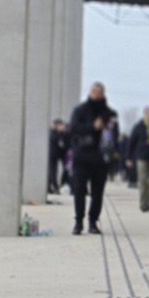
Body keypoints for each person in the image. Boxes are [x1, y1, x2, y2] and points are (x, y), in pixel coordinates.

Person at [69, 83, 114, 235]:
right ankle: (78, 222)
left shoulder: (109, 113)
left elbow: (114, 135)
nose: (96, 94)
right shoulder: (80, 110)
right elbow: (74, 128)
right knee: (79, 190)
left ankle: (93, 221)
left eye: (100, 92)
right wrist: (92, 127)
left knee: (97, 193)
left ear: (103, 93)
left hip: (101, 159)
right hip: (81, 156)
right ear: (90, 92)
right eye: (94, 91)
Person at [47, 119, 68, 194]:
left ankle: (50, 187)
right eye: (60, 125)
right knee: (52, 171)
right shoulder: (52, 132)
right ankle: (54, 187)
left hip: (57, 155)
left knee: (53, 171)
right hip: (52, 155)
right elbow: (57, 140)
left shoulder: (58, 133)